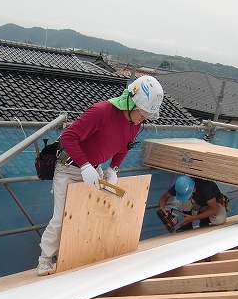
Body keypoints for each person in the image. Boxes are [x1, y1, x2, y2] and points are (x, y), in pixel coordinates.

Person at [37, 75, 165, 276]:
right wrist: (85, 165)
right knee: (62, 217)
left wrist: (113, 169)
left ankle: (74, 255)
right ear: (131, 101)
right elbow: (68, 137)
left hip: (93, 170)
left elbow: (124, 147)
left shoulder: (135, 123)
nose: (144, 118)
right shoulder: (102, 112)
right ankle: (45, 258)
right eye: (143, 112)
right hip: (70, 168)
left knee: (94, 214)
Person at [158, 175, 228, 232]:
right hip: (198, 204)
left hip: (213, 205)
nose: (186, 197)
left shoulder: (207, 186)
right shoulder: (180, 185)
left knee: (219, 220)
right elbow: (164, 197)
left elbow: (213, 209)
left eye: (187, 195)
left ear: (194, 189)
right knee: (184, 200)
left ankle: (205, 219)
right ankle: (188, 225)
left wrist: (194, 218)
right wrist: (162, 209)